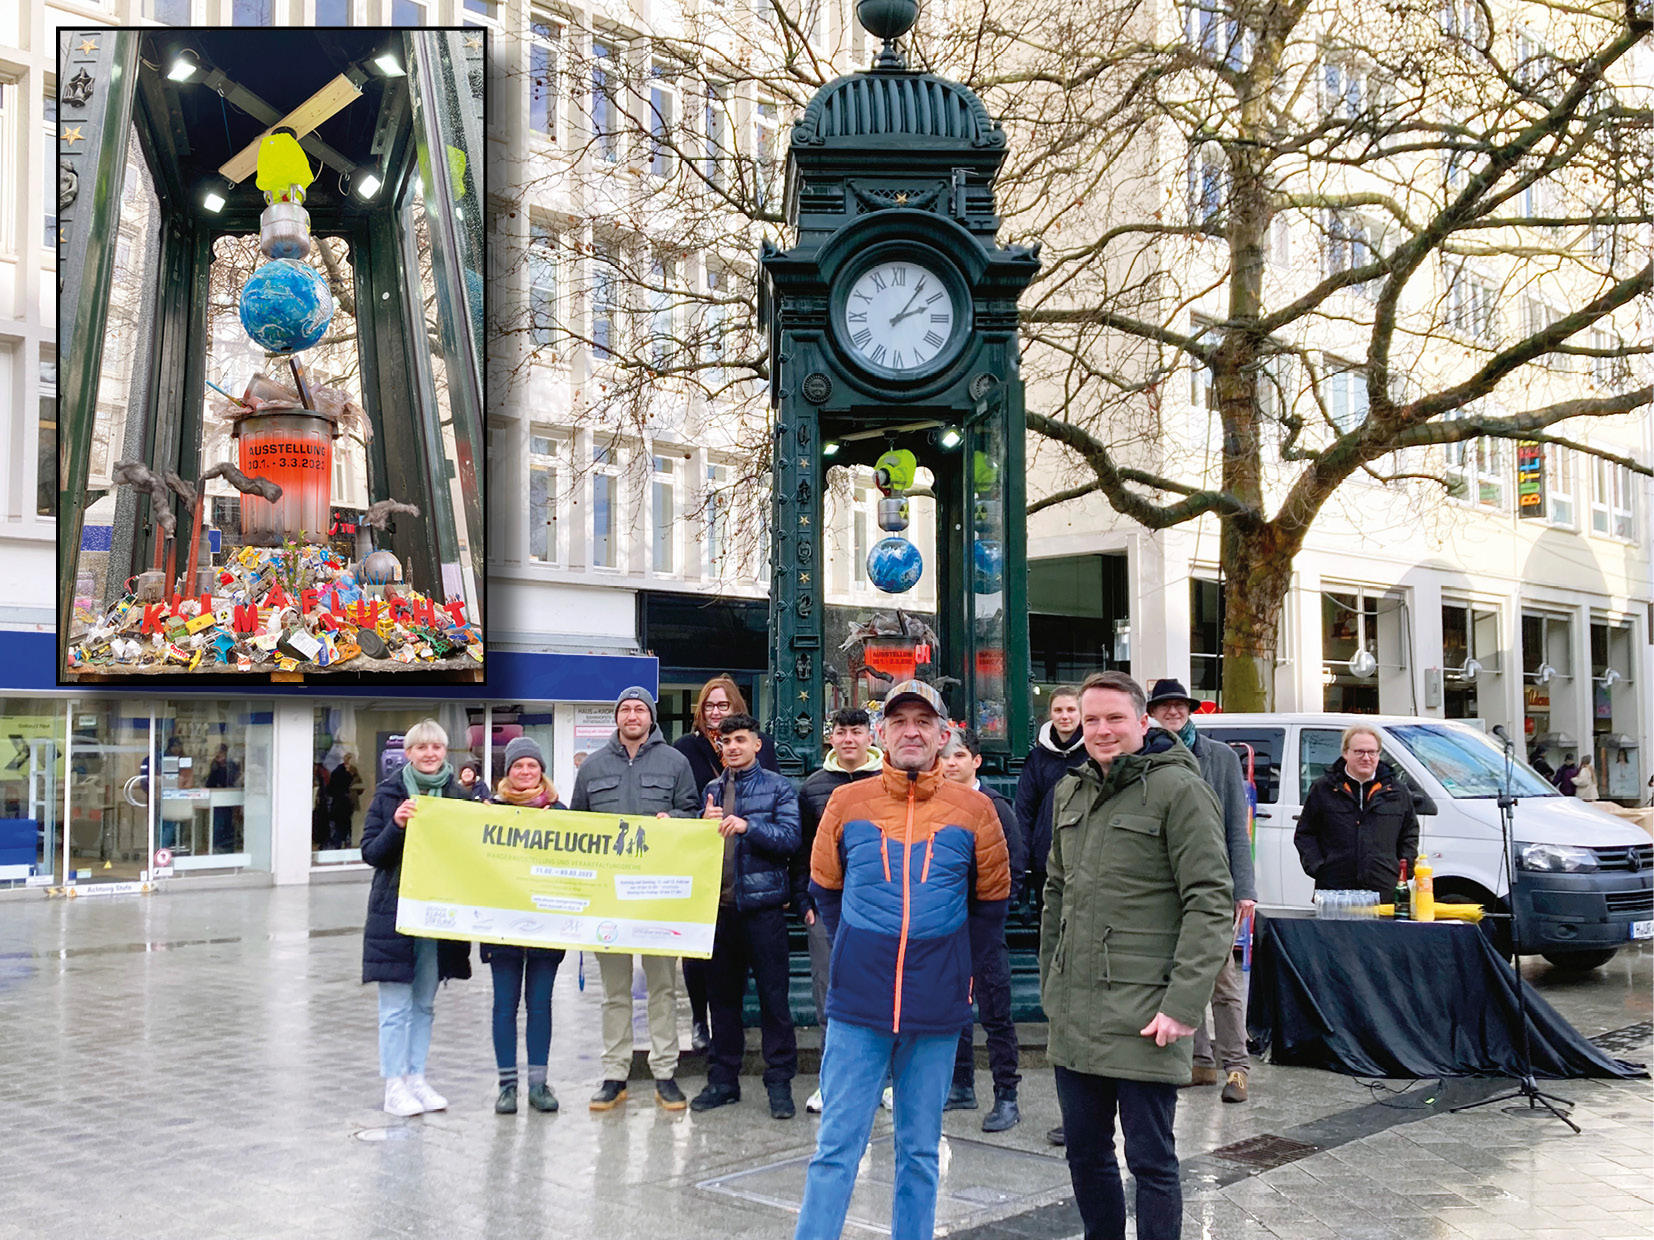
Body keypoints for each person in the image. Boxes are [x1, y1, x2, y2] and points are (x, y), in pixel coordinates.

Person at [796, 679, 1010, 1240]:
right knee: (837, 1145)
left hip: (936, 1004)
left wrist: (960, 972)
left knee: (918, 1149)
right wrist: (856, 951)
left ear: (944, 734)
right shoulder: (846, 802)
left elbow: (992, 903)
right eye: (899, 722)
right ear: (881, 734)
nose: (911, 731)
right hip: (858, 1003)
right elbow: (825, 888)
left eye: (923, 722)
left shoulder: (976, 810)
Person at [1042, 672, 1233, 1240]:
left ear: (1142, 722)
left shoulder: (1179, 789)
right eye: (1092, 719)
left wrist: (1182, 1004)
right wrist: (1051, 983)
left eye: (1115, 718)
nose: (1102, 730)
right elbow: (1056, 892)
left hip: (1148, 1011)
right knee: (1086, 1154)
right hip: (1077, 1009)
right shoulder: (1069, 790)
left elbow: (1210, 901)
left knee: (1151, 1161)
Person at [571, 686, 700, 1112]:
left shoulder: (675, 762)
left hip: (657, 896)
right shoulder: (592, 767)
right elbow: (576, 829)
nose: (632, 715)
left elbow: (693, 814)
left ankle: (665, 1072)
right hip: (607, 899)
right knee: (615, 992)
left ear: (651, 716)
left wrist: (675, 819)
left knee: (663, 987)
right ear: (617, 717)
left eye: (639, 708)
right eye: (625, 708)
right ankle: (615, 1073)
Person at [1145, 679, 1256, 1105]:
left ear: (1190, 710)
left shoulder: (1220, 756)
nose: (1172, 712)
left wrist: (1244, 888)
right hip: (1166, 885)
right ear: (1152, 712)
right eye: (1164, 706)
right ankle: (1200, 1061)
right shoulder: (1146, 755)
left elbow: (1236, 827)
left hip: (1213, 884)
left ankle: (1237, 1068)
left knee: (1221, 978)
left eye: (1179, 706)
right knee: (1180, 972)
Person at [690, 713, 803, 1120]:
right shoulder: (711, 790)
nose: (732, 747)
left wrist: (748, 825)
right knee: (722, 1002)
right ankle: (723, 1080)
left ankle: (779, 1082)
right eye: (725, 741)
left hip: (764, 910)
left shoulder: (778, 788)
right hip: (720, 912)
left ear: (757, 744)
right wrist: (694, 827)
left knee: (774, 1000)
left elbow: (790, 839)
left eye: (740, 740)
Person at [360, 718, 474, 1118]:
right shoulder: (389, 795)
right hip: (393, 915)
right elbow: (371, 853)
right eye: (421, 748)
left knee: (424, 1004)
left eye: (437, 748)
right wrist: (396, 825)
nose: (429, 754)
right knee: (395, 1006)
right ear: (408, 754)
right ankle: (394, 1085)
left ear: (446, 752)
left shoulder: (459, 798)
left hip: (436, 916)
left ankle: (416, 1078)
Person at [675, 675, 783, 1052]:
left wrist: (747, 823)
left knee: (760, 980)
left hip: (751, 875)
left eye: (724, 706)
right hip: (704, 871)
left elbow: (775, 800)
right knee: (698, 957)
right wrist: (698, 821)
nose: (716, 712)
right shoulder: (684, 749)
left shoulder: (760, 748)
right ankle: (698, 1019)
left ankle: (769, 1070)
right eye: (709, 706)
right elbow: (680, 807)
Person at [939, 726, 1026, 1133]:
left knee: (995, 1012)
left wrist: (994, 916)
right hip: (945, 925)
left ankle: (1006, 1095)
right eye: (945, 757)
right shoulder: (937, 804)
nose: (951, 763)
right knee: (953, 1009)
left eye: (959, 756)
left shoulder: (995, 806)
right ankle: (960, 1085)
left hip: (985, 926)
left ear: (975, 760)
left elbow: (1015, 866)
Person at [485, 737, 568, 1116]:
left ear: (541, 771)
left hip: (545, 925)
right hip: (501, 924)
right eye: (518, 766)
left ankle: (538, 1084)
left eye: (532, 765)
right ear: (508, 771)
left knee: (540, 1005)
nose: (525, 771)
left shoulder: (560, 812)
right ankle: (506, 1087)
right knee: (504, 1006)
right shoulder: (488, 810)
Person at [1294, 726, 1421, 895]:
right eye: (1359, 752)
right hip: (1335, 890)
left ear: (1378, 754)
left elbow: (1409, 834)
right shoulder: (1323, 788)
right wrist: (1318, 867)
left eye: (1372, 752)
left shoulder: (1397, 791)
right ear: (1345, 753)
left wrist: (1404, 870)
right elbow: (1305, 833)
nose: (1366, 758)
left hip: (1384, 890)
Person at [1015, 687, 1087, 911]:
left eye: (1071, 709)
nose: (1064, 716)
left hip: (1085, 857)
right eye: (1058, 710)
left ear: (1081, 713)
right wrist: (1024, 862)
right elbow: (1024, 813)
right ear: (1050, 714)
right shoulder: (1036, 758)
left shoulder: (1094, 752)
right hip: (1044, 859)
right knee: (1047, 928)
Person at [326, 752, 362, 849]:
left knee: (345, 826)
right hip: (342, 804)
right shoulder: (340, 773)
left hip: (346, 804)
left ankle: (344, 843)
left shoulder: (351, 771)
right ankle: (342, 843)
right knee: (342, 827)